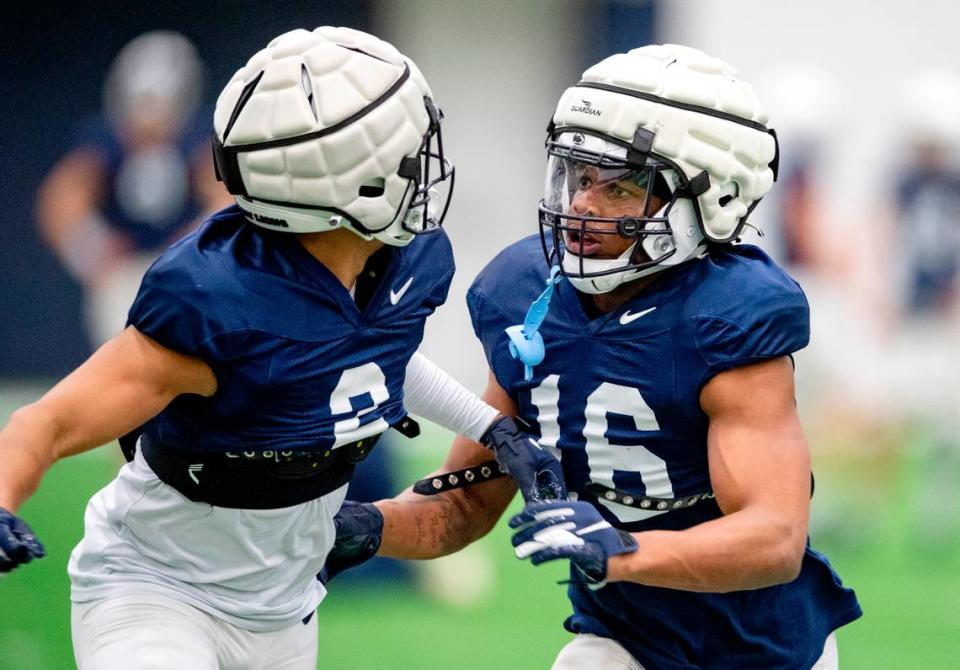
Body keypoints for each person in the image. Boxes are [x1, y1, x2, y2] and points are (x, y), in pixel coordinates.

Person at [0, 26, 558, 669]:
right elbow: (48, 422)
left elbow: (376, 361)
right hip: (158, 593)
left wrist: (492, 428)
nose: (422, 167)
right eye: (406, 154)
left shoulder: (405, 262)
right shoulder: (216, 302)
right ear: (358, 184)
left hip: (285, 611)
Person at [328, 44, 862, 669]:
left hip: (766, 648)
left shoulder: (724, 320)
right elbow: (463, 502)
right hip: (621, 635)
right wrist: (352, 526)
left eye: (621, 187)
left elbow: (774, 537)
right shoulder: (528, 298)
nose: (582, 203)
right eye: (580, 176)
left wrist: (621, 549)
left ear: (708, 198)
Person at [36, 31, 233, 348]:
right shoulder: (106, 143)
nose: (150, 115)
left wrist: (192, 245)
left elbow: (225, 201)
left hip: (183, 273)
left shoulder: (198, 142)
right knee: (124, 347)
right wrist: (91, 250)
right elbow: (62, 199)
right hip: (124, 273)